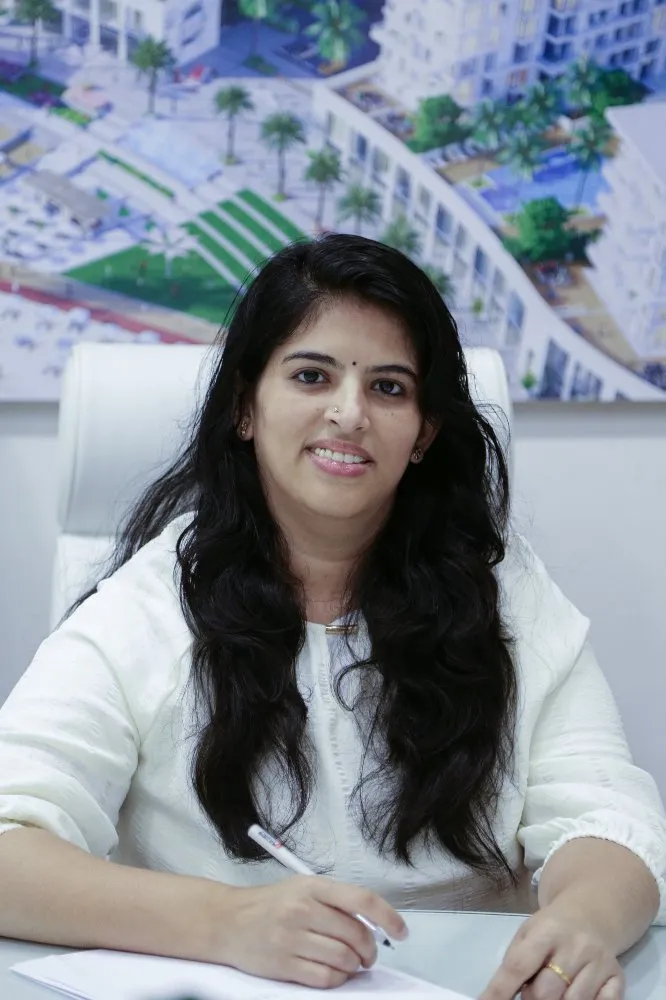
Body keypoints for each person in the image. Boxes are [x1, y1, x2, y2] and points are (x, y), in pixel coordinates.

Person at [0, 236, 664, 1000]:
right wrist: (224, 921)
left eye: (389, 388)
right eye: (312, 376)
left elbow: (610, 819)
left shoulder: (505, 592)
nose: (349, 414)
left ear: (424, 433)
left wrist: (583, 921)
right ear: (245, 407)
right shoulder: (150, 604)